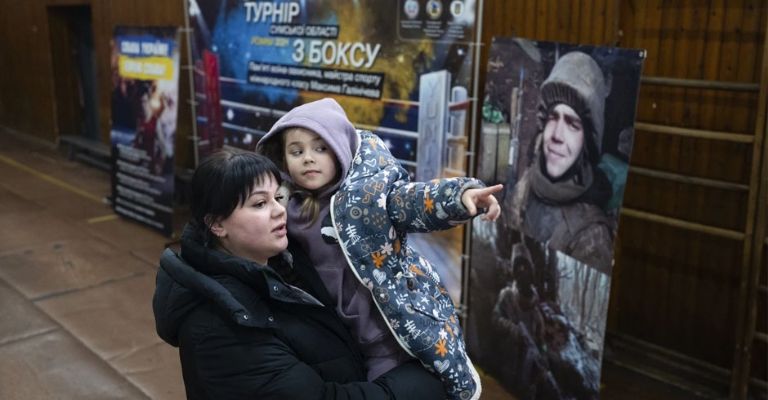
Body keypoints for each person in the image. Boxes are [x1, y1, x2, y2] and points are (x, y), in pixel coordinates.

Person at [257, 98, 502, 400]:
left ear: (341, 149)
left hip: (390, 332)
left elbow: (411, 200)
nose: (308, 158)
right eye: (297, 151)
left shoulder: (369, 196)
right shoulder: (285, 208)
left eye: (321, 148)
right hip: (341, 336)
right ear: (283, 160)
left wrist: (459, 197)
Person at [152, 149, 448, 399]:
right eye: (259, 203)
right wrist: (422, 383)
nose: (279, 211)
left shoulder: (285, 262)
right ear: (217, 224)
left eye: (277, 197)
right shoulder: (219, 329)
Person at [507, 51, 615, 272]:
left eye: (573, 124)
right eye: (553, 117)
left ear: (587, 142)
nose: (557, 135)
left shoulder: (591, 236)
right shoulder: (529, 182)